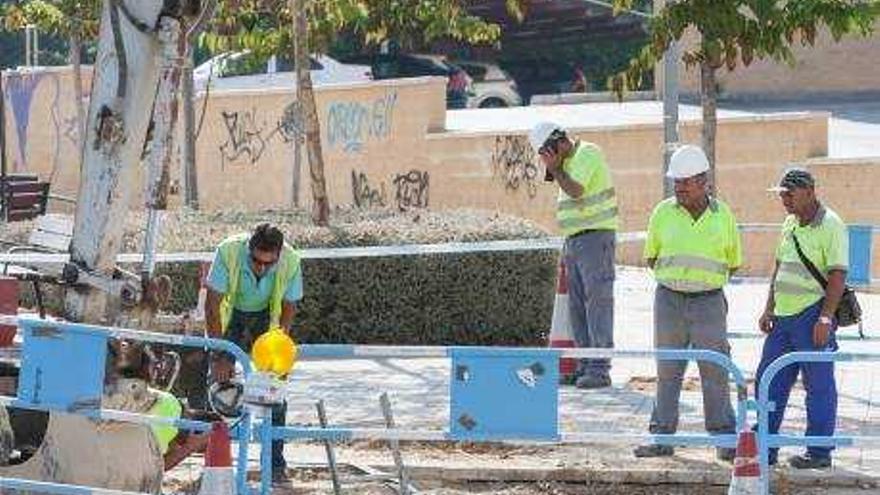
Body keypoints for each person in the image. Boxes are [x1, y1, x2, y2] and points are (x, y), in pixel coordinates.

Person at [633, 145, 739, 461]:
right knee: (667, 370)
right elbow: (652, 257)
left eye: (685, 181)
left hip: (709, 302)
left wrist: (701, 283)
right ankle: (661, 438)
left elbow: (733, 262)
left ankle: (725, 440)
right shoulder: (662, 213)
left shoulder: (724, 216)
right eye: (676, 181)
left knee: (715, 370)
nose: (678, 187)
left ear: (703, 181)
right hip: (669, 300)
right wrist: (678, 281)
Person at [756, 167, 847, 469]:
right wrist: (769, 308)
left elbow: (837, 274)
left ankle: (819, 452)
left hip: (813, 315)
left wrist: (824, 318)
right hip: (783, 318)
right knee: (769, 382)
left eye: (789, 193)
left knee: (819, 385)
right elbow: (779, 268)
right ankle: (764, 447)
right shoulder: (788, 224)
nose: (784, 199)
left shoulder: (832, 224)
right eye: (781, 194)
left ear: (809, 192)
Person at [204, 223, 303, 481]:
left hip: (266, 321)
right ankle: (213, 466)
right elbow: (212, 305)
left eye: (268, 264)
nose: (261, 268)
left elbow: (289, 306)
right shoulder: (228, 251)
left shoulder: (291, 260)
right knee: (216, 386)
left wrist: (279, 346)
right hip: (230, 317)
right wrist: (219, 354)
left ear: (278, 256)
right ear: (249, 248)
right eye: (256, 261)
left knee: (274, 392)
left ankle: (275, 466)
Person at [529, 122, 617, 389]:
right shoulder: (565, 166)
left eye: (546, 153)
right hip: (575, 240)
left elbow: (577, 191)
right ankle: (583, 365)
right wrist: (556, 169)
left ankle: (599, 368)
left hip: (595, 237)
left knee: (597, 303)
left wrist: (556, 169)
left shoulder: (587, 153)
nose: (546, 160)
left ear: (557, 142)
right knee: (577, 307)